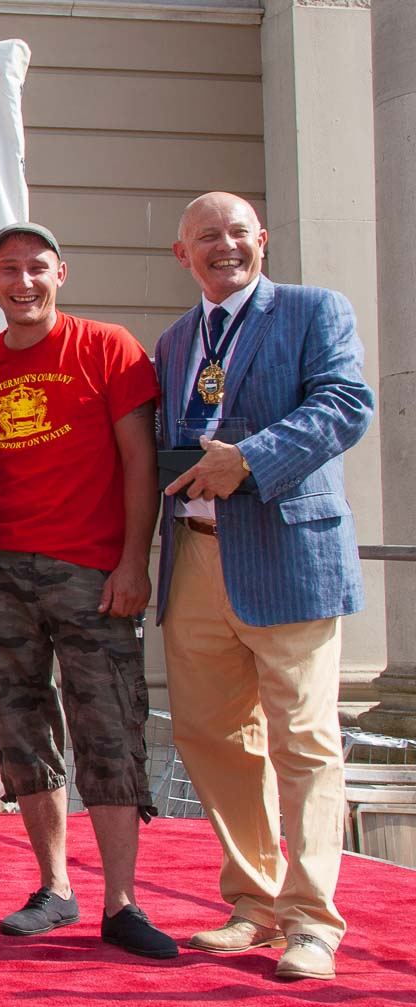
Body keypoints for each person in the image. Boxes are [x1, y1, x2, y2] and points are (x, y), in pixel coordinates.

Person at [154, 192, 372, 982]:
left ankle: (312, 921)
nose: (226, 246)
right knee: (212, 737)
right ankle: (254, 900)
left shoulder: (314, 311)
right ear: (183, 253)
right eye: (207, 236)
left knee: (303, 740)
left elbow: (346, 405)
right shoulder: (176, 341)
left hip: (289, 554)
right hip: (196, 556)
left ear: (263, 240)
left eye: (239, 232)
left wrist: (249, 458)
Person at [0, 222, 175, 959]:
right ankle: (54, 887)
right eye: (9, 269)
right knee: (18, 729)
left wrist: (134, 561)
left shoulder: (109, 347)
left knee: (108, 728)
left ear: (61, 274)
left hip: (93, 574)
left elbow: (140, 462)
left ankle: (122, 901)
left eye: (37, 268)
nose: (24, 282)